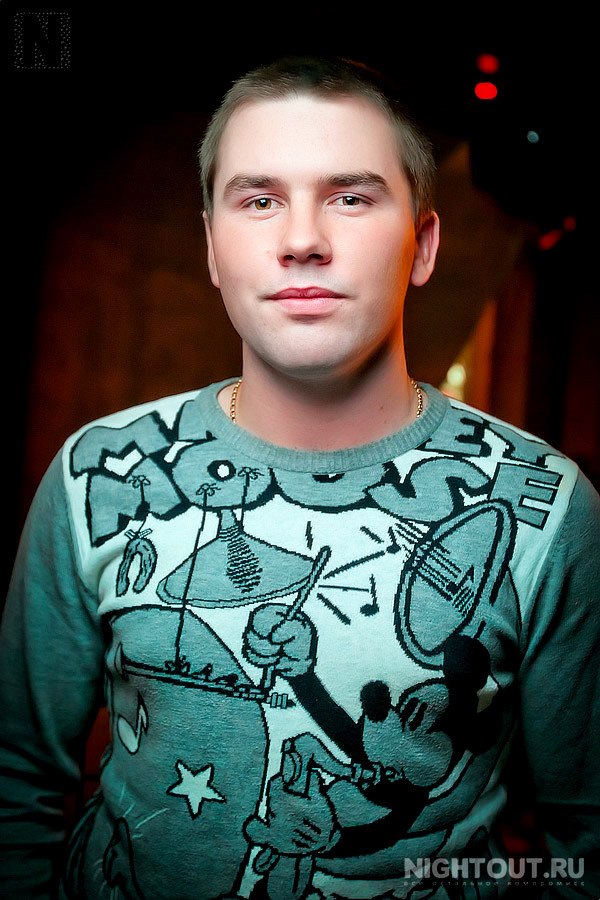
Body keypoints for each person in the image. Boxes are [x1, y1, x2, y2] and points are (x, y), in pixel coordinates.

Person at [1, 54, 598, 900]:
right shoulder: (97, 473)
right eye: (259, 200)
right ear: (213, 247)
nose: (303, 240)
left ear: (424, 246)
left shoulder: (549, 507)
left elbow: (587, 840)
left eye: (351, 197)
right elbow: (15, 785)